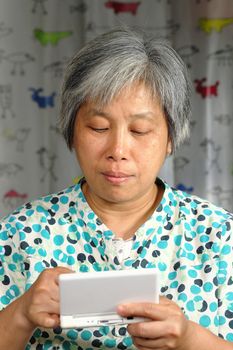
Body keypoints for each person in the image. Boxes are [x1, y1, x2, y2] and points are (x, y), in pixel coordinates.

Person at [0, 27, 232, 350]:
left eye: (140, 130)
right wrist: (21, 314)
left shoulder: (219, 237)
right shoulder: (21, 233)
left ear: (170, 138)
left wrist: (189, 338)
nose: (118, 149)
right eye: (99, 127)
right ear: (72, 130)